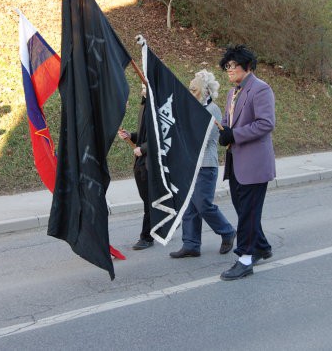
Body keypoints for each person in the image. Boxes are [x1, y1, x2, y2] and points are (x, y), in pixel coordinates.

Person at [217, 45, 276, 281]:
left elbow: (265, 123)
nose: (229, 70)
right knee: (244, 210)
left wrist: (235, 134)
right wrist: (224, 131)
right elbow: (227, 120)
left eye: (233, 66)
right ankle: (262, 246)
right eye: (227, 67)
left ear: (248, 66)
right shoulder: (233, 93)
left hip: (254, 163)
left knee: (248, 213)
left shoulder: (261, 90)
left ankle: (245, 258)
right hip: (235, 160)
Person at [169, 70, 236, 259]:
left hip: (206, 165)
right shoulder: (192, 110)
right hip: (191, 165)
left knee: (202, 204)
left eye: (194, 90)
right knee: (189, 206)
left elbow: (205, 140)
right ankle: (191, 244)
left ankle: (227, 231)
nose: (190, 94)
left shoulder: (212, 110)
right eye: (189, 90)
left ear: (205, 92)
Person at [118, 84, 154, 250]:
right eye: (141, 87)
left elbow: (161, 136)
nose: (142, 90)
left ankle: (146, 237)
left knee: (149, 201)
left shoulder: (157, 109)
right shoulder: (144, 106)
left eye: (145, 87)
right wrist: (130, 136)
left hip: (151, 163)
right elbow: (144, 135)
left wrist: (144, 148)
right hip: (140, 162)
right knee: (146, 198)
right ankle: (163, 222)